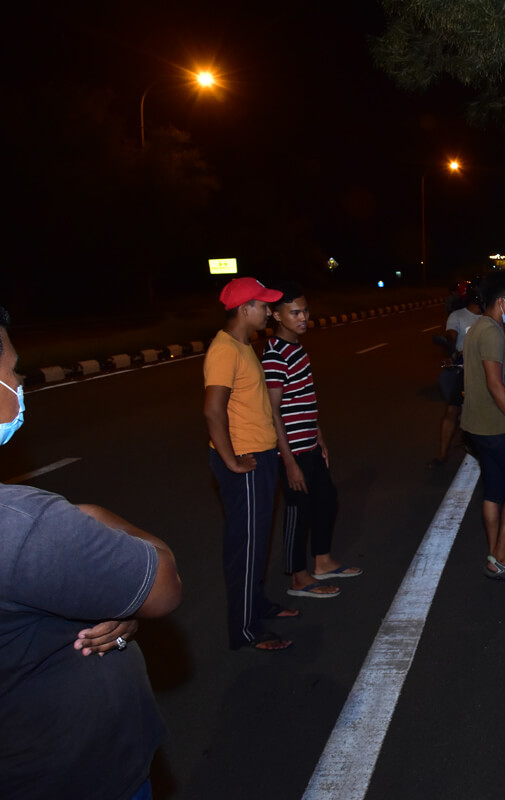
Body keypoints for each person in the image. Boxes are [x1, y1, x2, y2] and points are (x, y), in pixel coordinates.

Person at [0, 305, 184, 799]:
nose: (19, 382)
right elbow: (162, 584)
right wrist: (91, 516)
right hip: (77, 777)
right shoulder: (23, 526)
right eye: (13, 371)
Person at [203, 276, 295, 651]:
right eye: (264, 305)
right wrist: (232, 461)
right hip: (246, 460)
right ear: (245, 309)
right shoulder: (225, 350)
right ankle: (244, 630)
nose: (269, 312)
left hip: (260, 456)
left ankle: (256, 605)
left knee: (257, 542)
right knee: (246, 547)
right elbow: (213, 410)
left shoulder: (243, 346)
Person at [263, 281, 362, 601]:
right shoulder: (276, 354)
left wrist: (318, 434)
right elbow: (273, 410)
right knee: (298, 510)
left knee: (327, 499)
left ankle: (322, 561)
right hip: (292, 451)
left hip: (309, 445)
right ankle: (298, 577)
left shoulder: (297, 348)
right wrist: (289, 460)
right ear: (277, 316)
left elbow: (303, 397)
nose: (303, 317)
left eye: (305, 311)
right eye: (294, 313)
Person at [461, 271, 505, 583]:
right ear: (502, 300)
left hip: (476, 424)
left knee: (494, 488)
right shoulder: (492, 332)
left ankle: (496, 553)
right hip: (495, 425)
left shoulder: (479, 327)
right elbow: (495, 384)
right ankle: (501, 560)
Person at [429, 288, 483, 469]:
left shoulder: (491, 317)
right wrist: (451, 352)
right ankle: (441, 455)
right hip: (464, 369)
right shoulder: (457, 316)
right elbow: (450, 337)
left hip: (486, 370)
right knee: (452, 410)